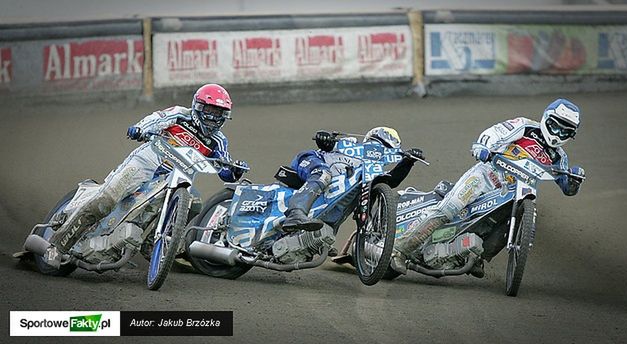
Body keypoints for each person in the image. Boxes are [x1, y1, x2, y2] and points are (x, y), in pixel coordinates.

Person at [391, 99, 586, 276]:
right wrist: (482, 146)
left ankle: (478, 257)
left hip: (515, 192)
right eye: (555, 126)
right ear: (546, 118)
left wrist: (575, 180)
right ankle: (399, 251)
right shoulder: (526, 127)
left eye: (565, 131)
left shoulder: (560, 158)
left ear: (572, 134)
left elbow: (567, 188)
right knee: (448, 210)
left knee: (512, 220)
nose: (558, 134)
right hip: (486, 176)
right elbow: (495, 132)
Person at [50, 84, 248, 253]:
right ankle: (57, 245)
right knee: (107, 200)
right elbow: (155, 119)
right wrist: (140, 129)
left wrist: (234, 171)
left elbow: (224, 169)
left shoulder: (218, 141)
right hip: (145, 164)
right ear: (198, 106)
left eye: (219, 113)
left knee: (190, 203)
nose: (214, 117)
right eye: (210, 111)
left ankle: (152, 245)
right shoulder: (179, 114)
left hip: (174, 183)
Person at [282, 126, 425, 232]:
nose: (378, 151)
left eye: (387, 149)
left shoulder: (371, 172)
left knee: (359, 194)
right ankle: (295, 212)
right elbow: (328, 144)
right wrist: (325, 140)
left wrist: (407, 162)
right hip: (312, 160)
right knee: (323, 173)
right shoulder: (352, 143)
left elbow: (390, 181)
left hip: (328, 193)